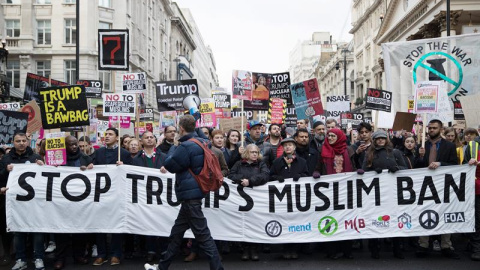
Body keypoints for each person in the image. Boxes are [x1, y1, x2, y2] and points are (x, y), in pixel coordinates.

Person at [155, 115, 223, 270]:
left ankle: (218, 268)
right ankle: (162, 266)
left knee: (203, 236)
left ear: (181, 128)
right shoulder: (202, 141)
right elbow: (196, 132)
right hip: (193, 195)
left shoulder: (185, 147)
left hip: (190, 197)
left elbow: (170, 164)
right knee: (176, 234)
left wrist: (174, 145)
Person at [0, 133, 45, 270]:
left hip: (33, 201)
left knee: (37, 230)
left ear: (27, 142)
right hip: (14, 202)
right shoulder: (6, 159)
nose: (21, 143)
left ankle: (39, 258)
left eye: (23, 141)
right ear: (13, 142)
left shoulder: (35, 158)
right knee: (18, 231)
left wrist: (42, 166)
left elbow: (45, 178)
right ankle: (21, 259)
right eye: (18, 141)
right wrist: (5, 172)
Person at [415, 119, 459, 259]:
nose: (431, 130)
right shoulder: (422, 145)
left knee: (445, 212)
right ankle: (423, 244)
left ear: (440, 129)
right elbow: (417, 167)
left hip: (443, 184)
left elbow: (454, 165)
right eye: (430, 128)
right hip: (425, 185)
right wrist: (421, 157)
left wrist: (440, 164)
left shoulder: (449, 146)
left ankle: (446, 245)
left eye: (434, 128)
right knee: (424, 212)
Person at [361, 130, 407, 259]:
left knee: (394, 219)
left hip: (393, 193)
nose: (380, 140)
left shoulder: (395, 152)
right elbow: (364, 170)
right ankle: (374, 249)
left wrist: (397, 169)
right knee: (375, 220)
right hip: (376, 194)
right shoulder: (369, 153)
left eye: (383, 138)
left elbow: (406, 169)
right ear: (374, 140)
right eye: (378, 138)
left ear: (386, 139)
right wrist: (372, 171)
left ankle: (397, 249)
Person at [92, 128, 133, 266]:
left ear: (117, 137)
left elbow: (132, 172)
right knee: (100, 224)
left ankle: (116, 254)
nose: (107, 136)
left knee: (116, 224)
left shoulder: (125, 154)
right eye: (106, 134)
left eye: (110, 134)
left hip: (118, 195)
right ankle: (101, 254)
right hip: (101, 195)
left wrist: (124, 167)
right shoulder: (98, 153)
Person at [53, 136, 93, 270]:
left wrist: (89, 169)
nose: (74, 147)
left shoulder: (86, 158)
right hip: (62, 200)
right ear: (65, 146)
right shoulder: (59, 160)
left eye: (75, 144)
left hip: (80, 200)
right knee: (61, 231)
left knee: (79, 230)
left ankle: (79, 255)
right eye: (70, 145)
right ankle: (60, 258)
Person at [269, 137, 309, 260]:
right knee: (284, 222)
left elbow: (307, 176)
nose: (288, 147)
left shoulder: (302, 162)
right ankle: (286, 248)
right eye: (285, 145)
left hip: (297, 198)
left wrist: (300, 176)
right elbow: (270, 176)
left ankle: (294, 248)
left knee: (296, 222)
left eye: (290, 145)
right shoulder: (277, 162)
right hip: (282, 198)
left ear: (294, 147)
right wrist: (277, 178)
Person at [228, 144, 269, 261]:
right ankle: (245, 249)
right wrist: (242, 180)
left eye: (256, 152)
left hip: (257, 201)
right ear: (247, 153)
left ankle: (254, 249)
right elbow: (231, 175)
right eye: (252, 152)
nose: (255, 154)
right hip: (242, 201)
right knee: (243, 223)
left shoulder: (261, 164)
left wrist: (250, 181)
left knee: (255, 223)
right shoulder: (238, 164)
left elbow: (265, 175)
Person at [132, 131, 168, 263]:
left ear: (155, 140)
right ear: (141, 141)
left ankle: (164, 249)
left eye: (151, 137)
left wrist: (167, 169)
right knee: (148, 222)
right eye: (146, 137)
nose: (149, 139)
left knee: (162, 221)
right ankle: (151, 250)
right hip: (144, 196)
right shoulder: (135, 159)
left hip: (160, 196)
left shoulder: (164, 157)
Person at [321, 128, 354, 259]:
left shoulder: (349, 150)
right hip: (329, 193)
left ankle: (347, 251)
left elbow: (355, 165)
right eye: (329, 136)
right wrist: (318, 173)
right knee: (331, 221)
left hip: (346, 191)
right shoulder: (323, 150)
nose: (330, 138)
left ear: (340, 136)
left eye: (333, 136)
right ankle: (332, 251)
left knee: (346, 221)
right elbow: (318, 167)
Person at [463, 134, 480, 261]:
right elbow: (464, 165)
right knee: (478, 220)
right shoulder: (473, 145)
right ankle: (476, 247)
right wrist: (468, 163)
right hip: (476, 189)